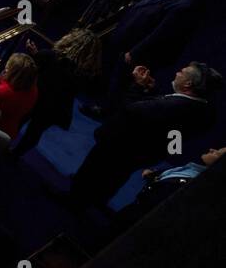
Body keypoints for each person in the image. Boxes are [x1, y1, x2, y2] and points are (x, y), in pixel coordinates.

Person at [70, 62, 221, 209]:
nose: (177, 73)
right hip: (143, 153)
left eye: (181, 72)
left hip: (121, 145)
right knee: (116, 175)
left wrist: (138, 86)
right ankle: (95, 198)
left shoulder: (174, 107)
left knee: (95, 170)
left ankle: (75, 200)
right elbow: (165, 124)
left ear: (188, 84)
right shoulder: (203, 110)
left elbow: (129, 110)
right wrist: (151, 91)